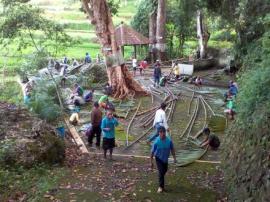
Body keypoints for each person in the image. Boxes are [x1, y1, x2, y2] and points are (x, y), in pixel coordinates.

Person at [150, 126, 177, 193]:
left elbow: (172, 149)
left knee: (164, 170)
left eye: (163, 132)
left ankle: (160, 176)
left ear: (165, 132)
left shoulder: (169, 141)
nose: (162, 134)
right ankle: (161, 187)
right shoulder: (156, 142)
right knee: (161, 172)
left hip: (165, 159)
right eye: (160, 132)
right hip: (158, 158)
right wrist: (151, 162)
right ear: (158, 133)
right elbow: (152, 152)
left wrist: (174, 158)